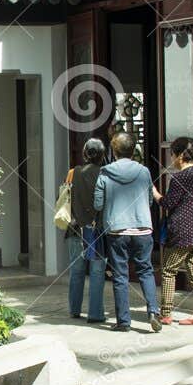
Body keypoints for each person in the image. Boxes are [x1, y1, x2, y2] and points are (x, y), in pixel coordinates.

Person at [93, 132, 161, 333]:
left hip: (117, 230)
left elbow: (97, 203)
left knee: (120, 275)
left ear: (114, 151)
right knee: (146, 271)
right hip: (142, 228)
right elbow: (149, 200)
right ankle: (153, 312)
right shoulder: (144, 172)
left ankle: (124, 321)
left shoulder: (105, 173)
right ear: (133, 150)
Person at [153, 137, 193, 325]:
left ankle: (166, 313)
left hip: (182, 232)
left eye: (172, 154)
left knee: (169, 270)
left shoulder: (179, 178)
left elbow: (168, 203)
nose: (171, 159)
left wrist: (154, 193)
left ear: (179, 156)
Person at [65, 137, 108, 324]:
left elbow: (65, 198)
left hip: (75, 228)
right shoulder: (106, 174)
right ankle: (95, 313)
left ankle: (74, 309)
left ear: (84, 154)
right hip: (97, 229)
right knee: (98, 272)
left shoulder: (73, 173)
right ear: (102, 155)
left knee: (77, 270)